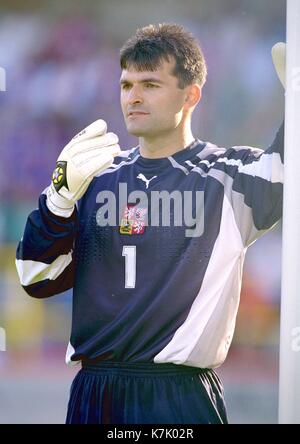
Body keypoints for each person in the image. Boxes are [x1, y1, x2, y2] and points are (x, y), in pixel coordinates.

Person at [16, 23, 285, 424]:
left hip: (181, 395)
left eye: (151, 84)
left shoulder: (229, 176)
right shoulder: (93, 177)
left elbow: (288, 170)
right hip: (96, 393)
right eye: (126, 85)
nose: (134, 97)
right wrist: (56, 201)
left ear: (191, 94)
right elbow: (35, 278)